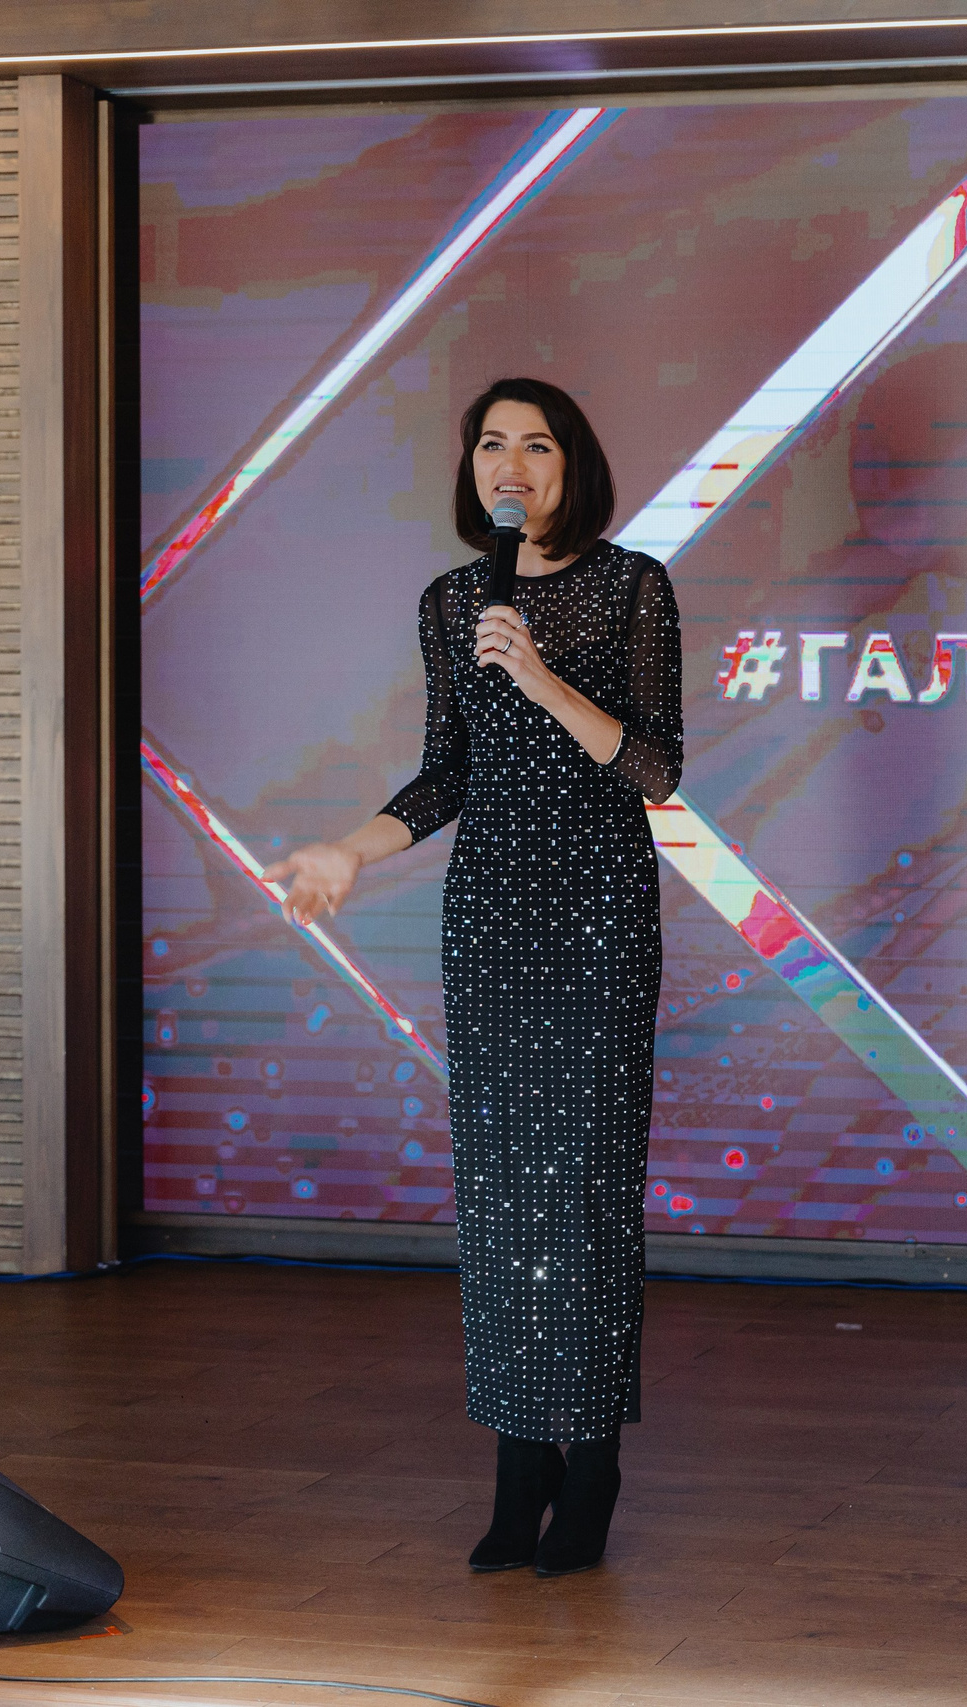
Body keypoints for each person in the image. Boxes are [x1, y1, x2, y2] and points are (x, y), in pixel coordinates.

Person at [264, 377, 682, 1577]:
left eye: (536, 442)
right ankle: (517, 1467)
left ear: (571, 463)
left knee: (585, 1194)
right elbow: (445, 773)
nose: (512, 461)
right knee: (503, 1200)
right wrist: (349, 846)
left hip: (597, 912)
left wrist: (544, 677)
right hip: (492, 913)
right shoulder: (452, 601)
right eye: (491, 443)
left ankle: (591, 1463)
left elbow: (654, 769)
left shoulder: (631, 586)